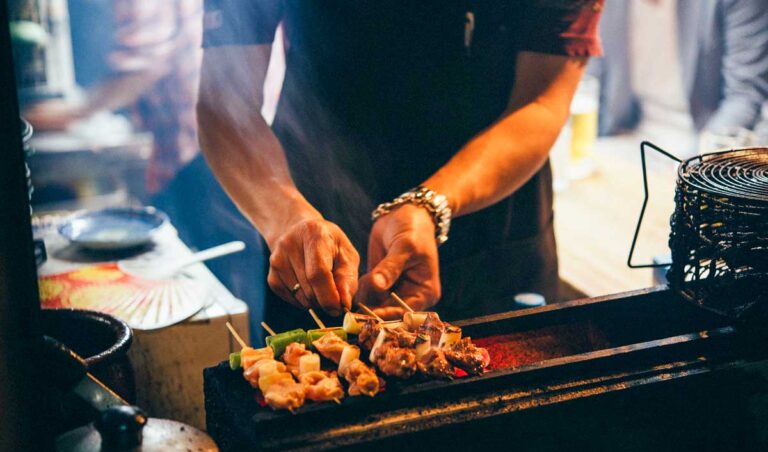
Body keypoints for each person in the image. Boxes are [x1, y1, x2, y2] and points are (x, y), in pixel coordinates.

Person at [198, 1, 605, 331]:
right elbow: (224, 102)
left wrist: (429, 205)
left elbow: (541, 101)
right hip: (313, 227)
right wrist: (286, 217)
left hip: (492, 230)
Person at [24, 0, 270, 338]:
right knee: (210, 279)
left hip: (205, 158)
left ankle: (247, 363)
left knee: (225, 289)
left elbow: (143, 64)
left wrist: (70, 114)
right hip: (192, 154)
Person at [592, 0, 768, 154]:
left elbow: (745, 96)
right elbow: (590, 80)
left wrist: (692, 168)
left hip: (698, 148)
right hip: (622, 142)